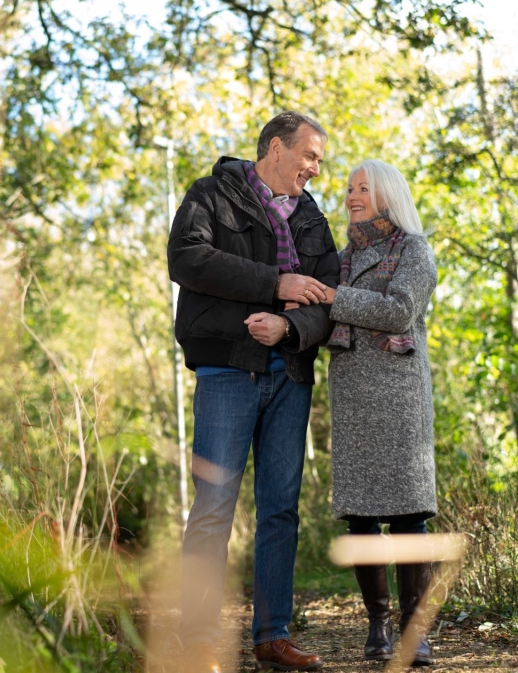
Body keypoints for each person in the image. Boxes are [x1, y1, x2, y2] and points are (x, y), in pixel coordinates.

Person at [167, 111, 340, 673]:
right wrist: (274, 284)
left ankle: (273, 637)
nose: (316, 169)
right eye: (309, 156)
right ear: (274, 149)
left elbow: (328, 297)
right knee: (214, 507)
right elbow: (187, 259)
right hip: (226, 372)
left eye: (319, 159)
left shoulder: (312, 217)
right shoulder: (212, 194)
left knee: (280, 511)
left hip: (289, 374)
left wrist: (291, 327)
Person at [319, 159, 438, 666]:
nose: (351, 196)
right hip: (352, 393)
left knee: (410, 517)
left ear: (387, 195)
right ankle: (378, 627)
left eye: (362, 188)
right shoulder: (339, 257)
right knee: (361, 518)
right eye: (348, 188)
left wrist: (333, 298)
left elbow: (398, 311)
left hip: (399, 395)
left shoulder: (414, 249)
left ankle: (415, 633)